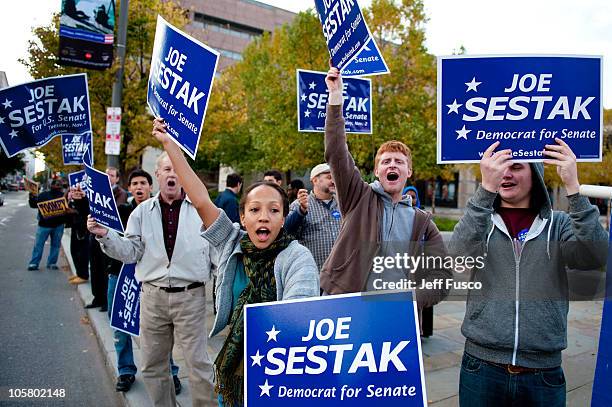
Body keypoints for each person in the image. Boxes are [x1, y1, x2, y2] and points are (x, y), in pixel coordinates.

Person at [151, 118, 319, 406]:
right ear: (243, 218)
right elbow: (201, 198)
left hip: (280, 374)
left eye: (273, 210)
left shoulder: (297, 257)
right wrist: (169, 144)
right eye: (255, 209)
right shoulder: (231, 241)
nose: (263, 216)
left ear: (282, 219)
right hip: (233, 372)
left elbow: (300, 315)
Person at [449, 140, 608, 406]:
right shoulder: (481, 221)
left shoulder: (558, 225)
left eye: (516, 166)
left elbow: (595, 256)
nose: (506, 173)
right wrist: (485, 189)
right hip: (481, 368)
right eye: (501, 166)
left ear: (534, 175)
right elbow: (458, 256)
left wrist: (574, 189)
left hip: (543, 375)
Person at [87, 154, 215, 407]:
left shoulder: (202, 210)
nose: (172, 174)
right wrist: (105, 235)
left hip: (190, 297)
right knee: (153, 365)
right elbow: (130, 251)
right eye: (166, 169)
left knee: (198, 364)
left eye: (177, 168)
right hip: (152, 297)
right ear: (157, 175)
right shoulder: (141, 213)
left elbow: (217, 252)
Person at [321, 67, 452, 309]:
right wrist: (336, 97)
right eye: (386, 161)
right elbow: (336, 151)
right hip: (347, 305)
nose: (392, 165)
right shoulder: (357, 197)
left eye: (399, 162)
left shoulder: (423, 223)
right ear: (378, 170)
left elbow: (442, 278)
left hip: (394, 317)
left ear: (409, 172)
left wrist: (410, 302)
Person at [97, 169, 182, 394]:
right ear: (130, 188)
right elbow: (101, 225)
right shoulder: (121, 211)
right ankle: (125, 371)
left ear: (150, 186)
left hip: (151, 281)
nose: (139, 187)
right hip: (119, 276)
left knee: (161, 331)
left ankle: (170, 372)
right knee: (120, 327)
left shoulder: (160, 211)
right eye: (134, 183)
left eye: (143, 182)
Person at [284, 163, 341, 271]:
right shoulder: (300, 204)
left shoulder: (342, 204)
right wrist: (301, 211)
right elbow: (286, 231)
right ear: (315, 181)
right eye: (329, 177)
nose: (333, 181)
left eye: (335, 177)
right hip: (315, 275)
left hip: (342, 275)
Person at [86, 167, 128, 311]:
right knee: (95, 268)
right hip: (95, 236)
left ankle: (105, 301)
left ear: (116, 179)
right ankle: (97, 297)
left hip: (109, 236)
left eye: (111, 175)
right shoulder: (97, 192)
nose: (108, 177)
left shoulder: (120, 193)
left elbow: (115, 211)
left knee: (105, 270)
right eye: (106, 175)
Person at [27, 179, 70, 271]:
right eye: (57, 184)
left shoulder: (64, 196)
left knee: (56, 245)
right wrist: (32, 195)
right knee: (39, 245)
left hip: (58, 225)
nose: (58, 186)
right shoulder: (43, 195)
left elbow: (68, 209)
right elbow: (33, 205)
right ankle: (34, 263)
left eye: (60, 185)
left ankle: (52, 263)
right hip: (44, 225)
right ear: (52, 185)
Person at [67, 184, 90, 284]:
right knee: (74, 251)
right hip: (75, 226)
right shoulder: (72, 196)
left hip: (83, 227)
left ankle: (83, 275)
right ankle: (79, 273)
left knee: (81, 253)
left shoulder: (88, 196)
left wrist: (82, 198)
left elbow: (84, 210)